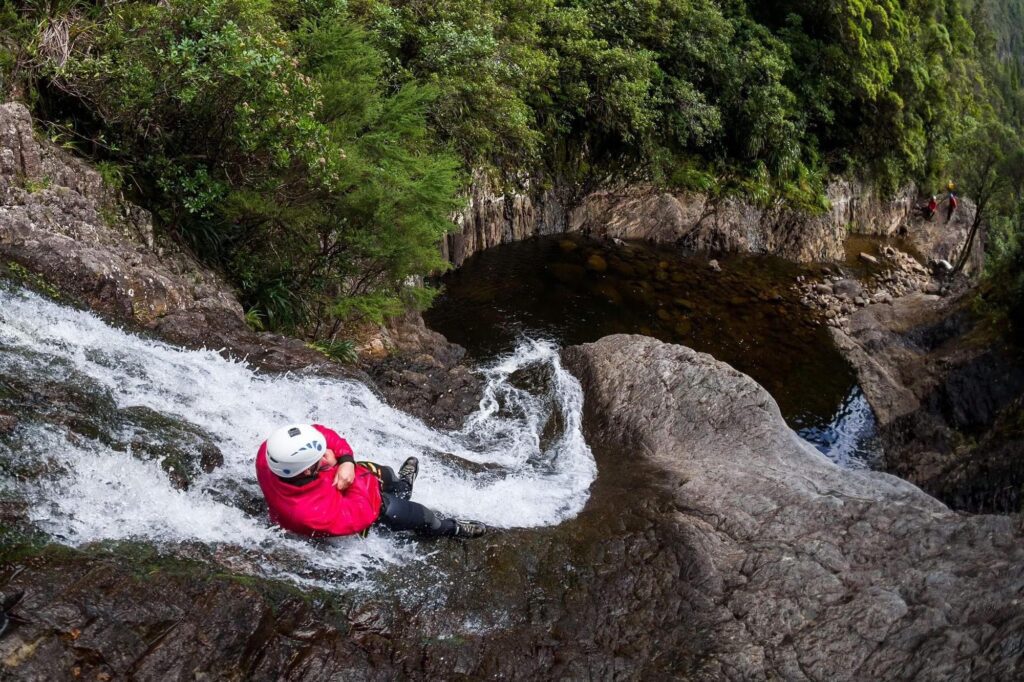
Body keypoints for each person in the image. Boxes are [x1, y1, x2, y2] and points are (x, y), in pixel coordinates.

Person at [255, 423, 486, 539]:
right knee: (422, 515)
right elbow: (366, 510)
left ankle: (403, 486)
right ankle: (450, 529)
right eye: (320, 457)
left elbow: (322, 434)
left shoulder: (272, 452)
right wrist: (349, 474)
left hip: (341, 481)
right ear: (306, 472)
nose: (327, 454)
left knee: (387, 474)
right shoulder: (311, 513)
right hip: (368, 508)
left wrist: (345, 460)